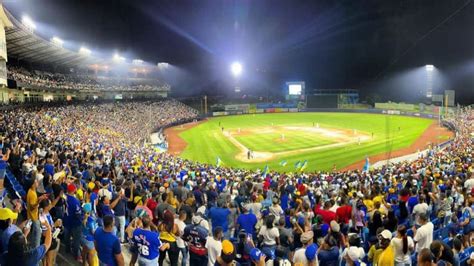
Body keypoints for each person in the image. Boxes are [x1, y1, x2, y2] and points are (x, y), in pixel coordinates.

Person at [39, 196, 63, 266]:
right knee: (49, 261)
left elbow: (53, 204)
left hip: (51, 237)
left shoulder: (47, 213)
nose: (51, 205)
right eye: (49, 204)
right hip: (48, 240)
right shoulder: (42, 217)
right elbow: (44, 233)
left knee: (49, 260)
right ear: (46, 207)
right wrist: (54, 225)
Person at [27, 177, 48, 249]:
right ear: (33, 184)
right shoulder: (32, 193)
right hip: (34, 217)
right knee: (36, 237)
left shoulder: (32, 191)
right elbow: (32, 206)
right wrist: (40, 200)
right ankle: (35, 253)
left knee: (34, 235)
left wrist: (40, 197)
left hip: (34, 216)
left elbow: (34, 202)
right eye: (36, 182)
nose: (37, 183)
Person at [64, 183, 83, 262]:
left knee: (67, 237)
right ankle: (76, 255)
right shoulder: (75, 201)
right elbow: (78, 214)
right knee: (76, 240)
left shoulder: (64, 196)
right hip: (75, 223)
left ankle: (67, 249)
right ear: (73, 190)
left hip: (66, 220)